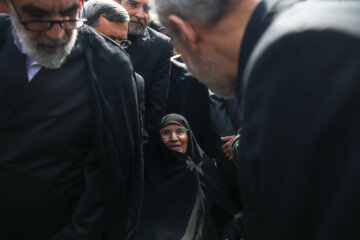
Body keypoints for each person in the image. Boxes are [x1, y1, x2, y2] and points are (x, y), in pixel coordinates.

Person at [151, 0, 360, 239]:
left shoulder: (292, 51)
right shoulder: (315, 21)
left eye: (180, 54)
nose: (187, 66)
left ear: (188, 32)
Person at [0, 0, 142, 239]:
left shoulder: (109, 65)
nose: (57, 34)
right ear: (9, 7)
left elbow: (112, 176)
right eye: (37, 17)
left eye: (69, 15)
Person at [136, 113, 239, 240]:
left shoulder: (204, 170)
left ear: (188, 135)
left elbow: (225, 214)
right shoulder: (149, 174)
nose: (174, 138)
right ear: (158, 137)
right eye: (166, 132)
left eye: (180, 131)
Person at [82, 0, 147, 142]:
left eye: (122, 43)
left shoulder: (135, 83)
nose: (116, 49)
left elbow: (135, 141)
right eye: (109, 40)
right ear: (84, 33)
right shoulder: (60, 77)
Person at [118, 0, 172, 139]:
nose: (140, 14)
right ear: (117, 3)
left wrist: (143, 143)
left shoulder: (161, 45)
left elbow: (156, 106)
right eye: (133, 4)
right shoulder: (94, 34)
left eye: (147, 8)